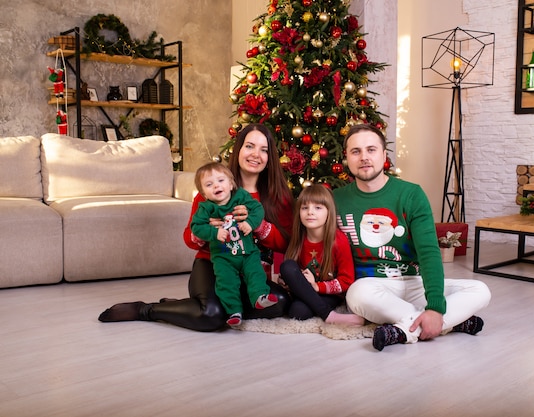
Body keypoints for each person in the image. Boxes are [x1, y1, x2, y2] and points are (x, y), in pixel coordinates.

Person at [98, 123, 294, 331]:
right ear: (238, 149)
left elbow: (286, 244)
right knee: (211, 315)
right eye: (250, 146)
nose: (256, 154)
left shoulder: (277, 196)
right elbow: (189, 237)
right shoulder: (213, 187)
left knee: (280, 301)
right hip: (212, 264)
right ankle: (147, 309)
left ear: (270, 157)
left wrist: (259, 225)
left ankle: (209, 306)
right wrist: (208, 231)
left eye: (263, 150)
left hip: (249, 267)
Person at [333, 124, 491, 351]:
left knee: (480, 290)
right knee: (357, 295)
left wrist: (435, 307)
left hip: (412, 282)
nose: (364, 157)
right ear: (346, 157)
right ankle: (446, 324)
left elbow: (428, 252)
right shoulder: (336, 199)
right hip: (372, 287)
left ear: (384, 155)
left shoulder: (411, 194)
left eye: (371, 150)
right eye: (356, 151)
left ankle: (407, 328)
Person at [190, 162, 278, 327]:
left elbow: (257, 209)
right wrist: (214, 233)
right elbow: (196, 227)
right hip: (223, 256)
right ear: (204, 193)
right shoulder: (206, 207)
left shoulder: (241, 196)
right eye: (209, 184)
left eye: (221, 181)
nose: (216, 185)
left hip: (247, 253)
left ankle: (260, 297)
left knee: (255, 273)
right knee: (226, 281)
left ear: (231, 184)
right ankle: (234, 311)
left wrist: (251, 223)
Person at [279, 184, 364, 326]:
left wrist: (317, 287)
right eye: (305, 208)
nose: (310, 212)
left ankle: (329, 315)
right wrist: (289, 281)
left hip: (329, 293)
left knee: (299, 311)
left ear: (329, 212)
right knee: (287, 268)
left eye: (318, 208)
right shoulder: (298, 237)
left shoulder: (338, 241)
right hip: (306, 290)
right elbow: (295, 270)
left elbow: (346, 281)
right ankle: (326, 312)